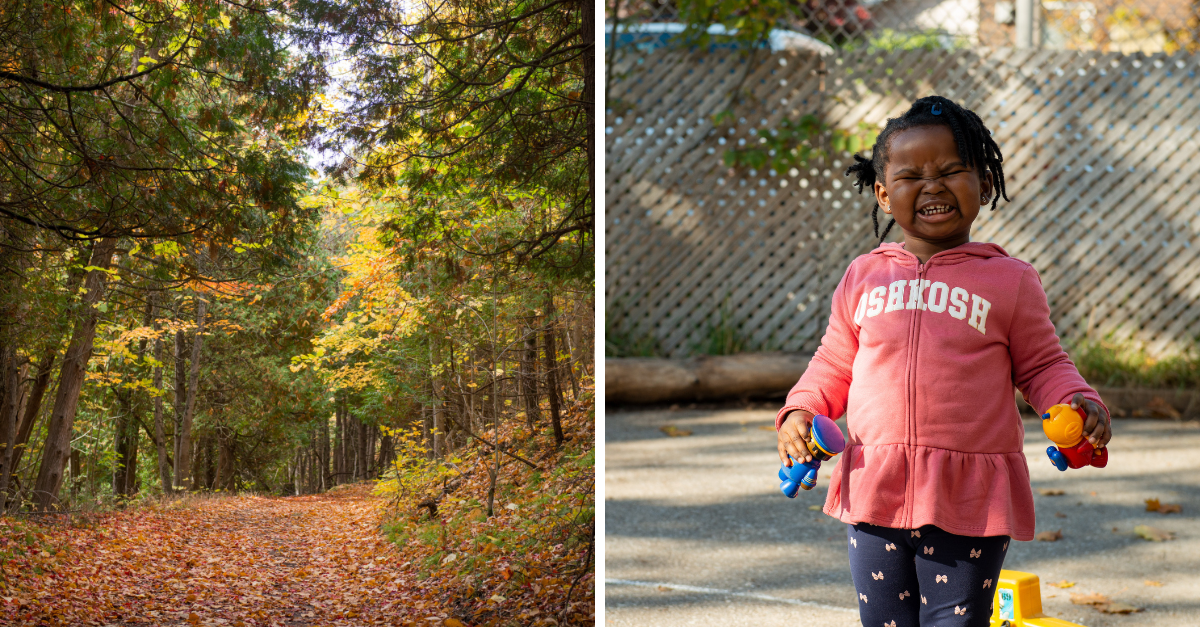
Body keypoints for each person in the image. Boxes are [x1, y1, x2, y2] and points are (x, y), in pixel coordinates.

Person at [775, 95, 1112, 627]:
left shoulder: (1010, 281)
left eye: (952, 170)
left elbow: (1044, 364)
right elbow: (834, 361)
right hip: (875, 486)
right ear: (885, 195)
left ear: (982, 183)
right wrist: (800, 410)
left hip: (968, 496)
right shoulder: (864, 275)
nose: (932, 185)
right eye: (911, 176)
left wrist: (1077, 401)